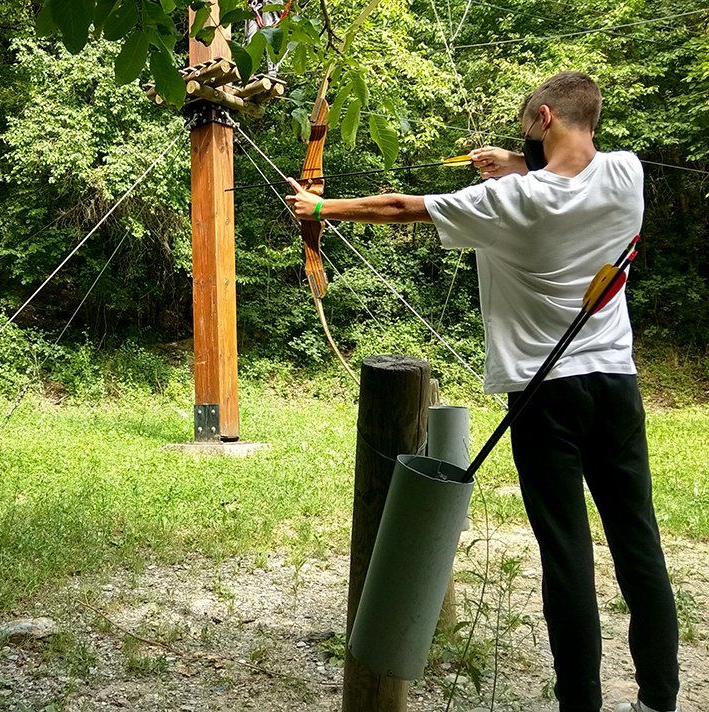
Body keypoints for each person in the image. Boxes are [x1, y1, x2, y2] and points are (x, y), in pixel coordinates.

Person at [286, 71, 680, 712]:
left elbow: (401, 206)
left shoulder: (507, 204)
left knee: (567, 554)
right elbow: (573, 169)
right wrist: (518, 161)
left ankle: (580, 702)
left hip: (543, 397)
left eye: (529, 124)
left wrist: (322, 209)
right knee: (638, 540)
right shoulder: (628, 175)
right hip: (616, 385)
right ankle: (659, 699)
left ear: (544, 116)